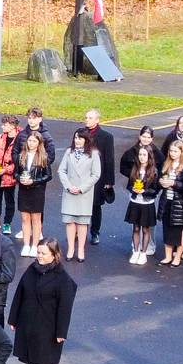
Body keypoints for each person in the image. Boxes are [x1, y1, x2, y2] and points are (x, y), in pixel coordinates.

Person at [8, 238, 77, 364]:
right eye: (38, 252)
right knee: (35, 361)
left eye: (43, 253)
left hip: (50, 328)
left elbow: (65, 307)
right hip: (30, 325)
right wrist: (13, 318)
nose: (39, 256)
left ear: (54, 255)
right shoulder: (32, 270)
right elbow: (20, 293)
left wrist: (61, 332)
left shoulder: (62, 278)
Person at [57, 130, 102, 260]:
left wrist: (81, 188)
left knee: (82, 223)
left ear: (86, 140)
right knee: (70, 222)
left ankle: (81, 249)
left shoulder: (93, 154)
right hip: (69, 192)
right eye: (76, 138)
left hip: (84, 194)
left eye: (80, 138)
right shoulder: (68, 152)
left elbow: (96, 175)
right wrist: (68, 186)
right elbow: (62, 170)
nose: (77, 141)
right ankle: (71, 248)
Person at [7, 128, 51, 256]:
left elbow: (48, 176)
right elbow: (15, 172)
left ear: (39, 143)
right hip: (24, 190)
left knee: (36, 219)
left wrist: (34, 181)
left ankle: (35, 245)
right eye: (30, 141)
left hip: (37, 191)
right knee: (25, 219)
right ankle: (26, 245)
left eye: (34, 141)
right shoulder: (21, 156)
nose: (31, 143)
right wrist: (19, 178)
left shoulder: (43, 157)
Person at [76, 109, 117, 247]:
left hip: (98, 176)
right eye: (86, 117)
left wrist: (109, 181)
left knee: (95, 205)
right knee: (80, 204)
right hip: (81, 174)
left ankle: (95, 232)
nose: (87, 120)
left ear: (97, 120)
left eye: (90, 118)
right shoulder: (80, 133)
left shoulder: (106, 137)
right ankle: (78, 231)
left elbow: (109, 159)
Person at [121, 135, 162, 265]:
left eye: (144, 155)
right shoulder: (135, 169)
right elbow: (129, 185)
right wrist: (133, 189)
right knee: (136, 228)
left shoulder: (153, 172)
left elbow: (156, 189)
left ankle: (144, 253)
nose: (142, 157)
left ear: (149, 156)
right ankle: (136, 251)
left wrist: (145, 191)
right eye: (140, 155)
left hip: (147, 203)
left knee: (146, 229)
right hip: (135, 202)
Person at [157, 146, 183, 267]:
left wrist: (174, 183)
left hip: (179, 203)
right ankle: (168, 256)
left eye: (175, 151)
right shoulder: (166, 165)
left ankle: (177, 257)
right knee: (167, 228)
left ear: (182, 152)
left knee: (178, 231)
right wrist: (161, 183)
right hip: (167, 200)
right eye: (170, 151)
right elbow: (158, 182)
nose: (172, 153)